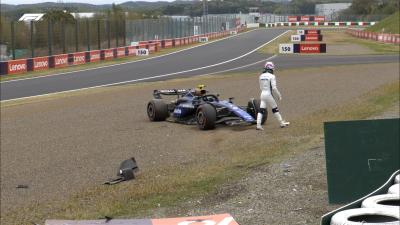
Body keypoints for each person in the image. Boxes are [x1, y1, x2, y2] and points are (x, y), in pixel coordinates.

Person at [256, 61, 290, 130]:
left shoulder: (261, 76)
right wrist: (279, 95)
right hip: (268, 94)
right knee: (275, 109)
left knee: (261, 110)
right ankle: (281, 123)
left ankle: (258, 125)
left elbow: (260, 87)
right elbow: (274, 88)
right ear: (271, 68)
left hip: (262, 94)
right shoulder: (272, 76)